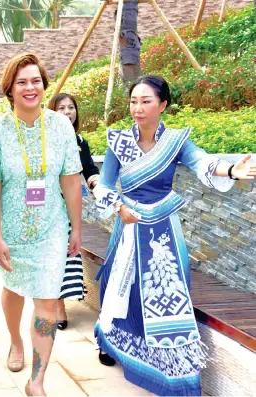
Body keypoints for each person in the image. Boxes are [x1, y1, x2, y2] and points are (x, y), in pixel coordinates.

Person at [93, 75, 256, 396]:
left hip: (164, 232)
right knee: (122, 289)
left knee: (168, 297)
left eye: (146, 101)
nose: (138, 108)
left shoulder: (177, 141)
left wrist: (233, 170)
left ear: (163, 105)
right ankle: (115, 346)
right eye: (133, 101)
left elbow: (203, 162)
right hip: (128, 226)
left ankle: (171, 372)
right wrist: (118, 207)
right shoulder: (118, 142)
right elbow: (104, 185)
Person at [0, 53, 82, 397]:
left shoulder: (61, 126)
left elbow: (70, 181)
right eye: (22, 81)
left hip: (52, 227)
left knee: (48, 302)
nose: (30, 87)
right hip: (10, 229)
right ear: (9, 89)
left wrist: (76, 228)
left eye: (35, 80)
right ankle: (15, 342)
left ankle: (36, 379)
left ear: (44, 85)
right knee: (12, 291)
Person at [47, 93, 100, 330]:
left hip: (70, 206)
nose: (67, 112)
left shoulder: (80, 142)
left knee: (67, 255)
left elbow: (89, 169)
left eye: (71, 107)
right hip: (46, 206)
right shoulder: (42, 138)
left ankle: (60, 299)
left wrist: (95, 183)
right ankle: (57, 307)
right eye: (61, 108)